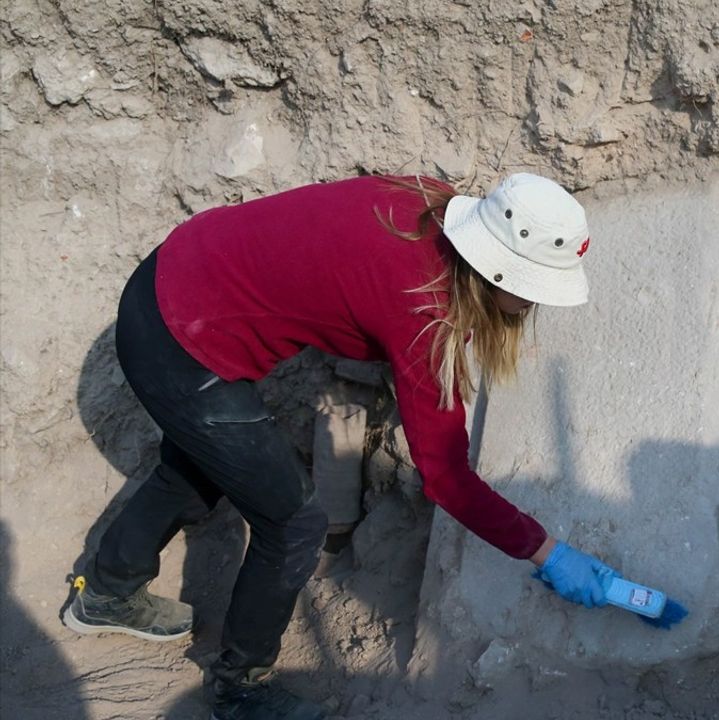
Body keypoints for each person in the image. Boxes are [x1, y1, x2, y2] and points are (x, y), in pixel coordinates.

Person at [63, 173, 617, 720]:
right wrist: (548, 553)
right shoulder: (421, 311)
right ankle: (239, 691)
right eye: (531, 289)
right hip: (184, 339)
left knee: (203, 463)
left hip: (169, 277)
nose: (533, 303)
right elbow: (445, 477)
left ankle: (107, 593)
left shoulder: (428, 201)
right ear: (497, 272)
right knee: (294, 522)